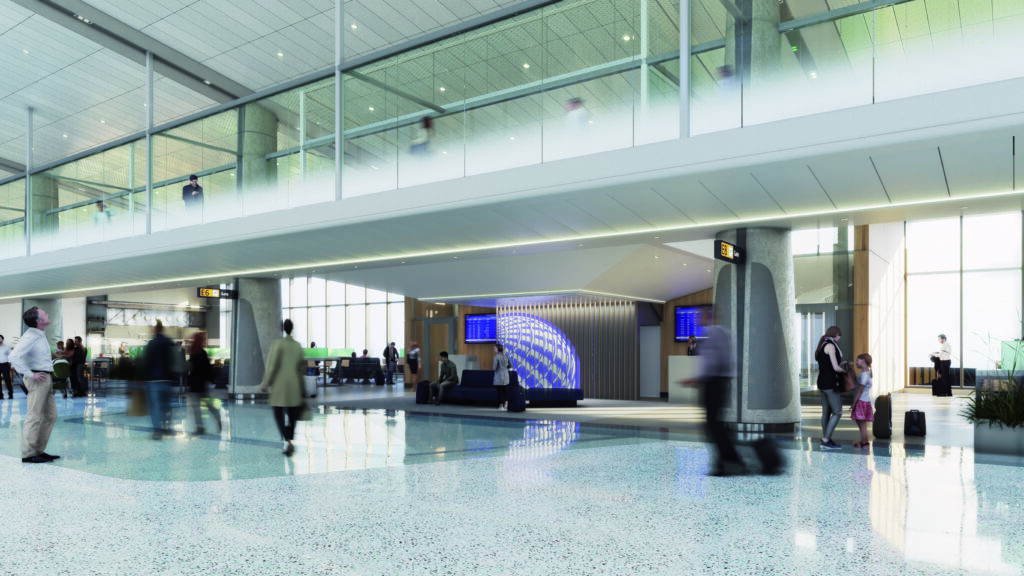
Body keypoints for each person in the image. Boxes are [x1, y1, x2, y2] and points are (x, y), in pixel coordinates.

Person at [683, 308, 747, 476]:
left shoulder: (711, 332)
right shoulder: (727, 333)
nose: (698, 319)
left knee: (712, 425)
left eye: (700, 316)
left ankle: (729, 462)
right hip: (723, 382)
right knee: (717, 424)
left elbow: (710, 363)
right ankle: (727, 461)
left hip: (712, 384)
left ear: (708, 317)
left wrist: (696, 379)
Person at [9, 307, 60, 463]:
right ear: (39, 321)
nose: (47, 314)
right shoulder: (31, 336)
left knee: (50, 415)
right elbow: (14, 356)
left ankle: (38, 450)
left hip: (45, 378)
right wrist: (31, 374)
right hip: (38, 379)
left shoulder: (39, 334)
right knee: (34, 416)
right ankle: (29, 454)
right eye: (44, 313)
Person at [260, 319, 305, 456]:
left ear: (282, 329)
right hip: (294, 385)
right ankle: (290, 439)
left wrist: (266, 382)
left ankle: (287, 440)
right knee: (292, 417)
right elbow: (301, 369)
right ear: (292, 329)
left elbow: (272, 366)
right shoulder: (298, 346)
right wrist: (302, 387)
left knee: (278, 415)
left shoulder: (277, 345)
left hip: (280, 386)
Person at [142, 320, 178, 439]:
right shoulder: (170, 342)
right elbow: (175, 360)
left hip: (153, 381)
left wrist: (142, 377)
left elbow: (146, 361)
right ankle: (166, 427)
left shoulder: (152, 344)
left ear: (156, 329)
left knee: (155, 406)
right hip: (167, 381)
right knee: (166, 405)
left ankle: (158, 431)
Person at [815, 325, 846, 450]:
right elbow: (835, 367)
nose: (839, 338)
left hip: (822, 382)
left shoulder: (823, 344)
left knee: (826, 413)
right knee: (838, 412)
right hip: (830, 383)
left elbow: (828, 364)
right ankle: (826, 440)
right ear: (836, 334)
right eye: (839, 336)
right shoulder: (831, 346)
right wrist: (845, 371)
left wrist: (843, 363)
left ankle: (826, 439)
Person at [186, 332, 221, 435]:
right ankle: (218, 417)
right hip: (202, 385)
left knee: (196, 407)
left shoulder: (193, 353)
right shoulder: (203, 353)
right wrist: (209, 380)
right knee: (208, 404)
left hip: (194, 385)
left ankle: (200, 427)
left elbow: (191, 369)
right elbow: (207, 369)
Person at [851, 353, 875, 448]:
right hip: (864, 401)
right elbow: (856, 381)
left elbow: (860, 390)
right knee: (861, 423)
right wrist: (852, 370)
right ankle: (863, 441)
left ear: (863, 361)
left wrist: (854, 403)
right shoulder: (865, 373)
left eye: (857, 360)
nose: (856, 362)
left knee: (862, 424)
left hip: (861, 401)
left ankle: (865, 443)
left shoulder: (864, 375)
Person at [493, 344, 511, 411]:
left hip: (499, 376)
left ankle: (501, 406)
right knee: (505, 390)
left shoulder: (497, 357)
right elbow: (510, 366)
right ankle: (506, 404)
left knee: (499, 391)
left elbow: (494, 368)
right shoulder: (506, 356)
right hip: (506, 376)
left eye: (495, 349)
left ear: (498, 349)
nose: (494, 350)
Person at [0, 334, 11, 399]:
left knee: (7, 380)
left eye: (0, 338)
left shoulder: (6, 347)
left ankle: (10, 394)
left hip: (5, 365)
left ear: (2, 339)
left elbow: (11, 356)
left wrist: (12, 364)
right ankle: (0, 395)